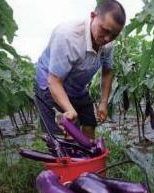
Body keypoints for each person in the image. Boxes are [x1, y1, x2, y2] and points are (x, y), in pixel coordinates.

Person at [34, 0, 125, 139]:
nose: (107, 38)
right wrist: (69, 110)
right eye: (104, 30)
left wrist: (104, 103)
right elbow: (54, 81)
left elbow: (107, 71)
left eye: (114, 35)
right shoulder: (67, 36)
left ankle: (88, 157)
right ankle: (66, 156)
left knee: (89, 123)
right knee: (65, 136)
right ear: (93, 16)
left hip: (76, 87)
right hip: (50, 85)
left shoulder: (108, 43)